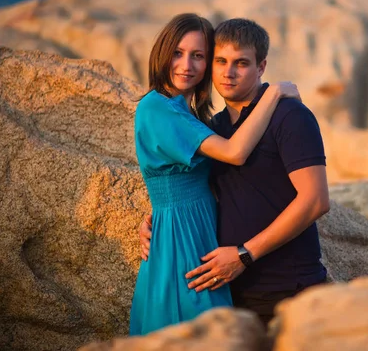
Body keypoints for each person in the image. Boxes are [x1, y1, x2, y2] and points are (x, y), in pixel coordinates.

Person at [140, 18, 330, 327]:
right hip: (229, 290)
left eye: (241, 63)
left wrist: (244, 254)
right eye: (220, 61)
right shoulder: (213, 128)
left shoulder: (289, 115)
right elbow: (195, 185)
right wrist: (156, 217)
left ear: (261, 67)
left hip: (286, 289)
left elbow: (316, 201)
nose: (228, 73)